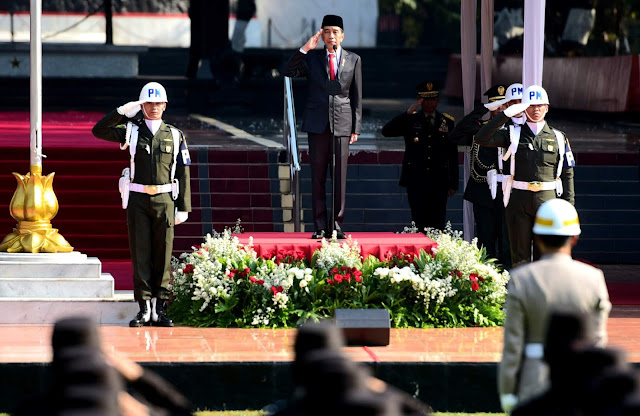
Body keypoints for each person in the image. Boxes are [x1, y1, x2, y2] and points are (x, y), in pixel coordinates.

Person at [92, 82, 192, 327]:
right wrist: (122, 112)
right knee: (141, 253)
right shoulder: (131, 130)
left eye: (158, 103)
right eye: (148, 103)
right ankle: (144, 308)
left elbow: (183, 171)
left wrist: (183, 206)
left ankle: (160, 308)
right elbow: (99, 130)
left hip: (165, 200)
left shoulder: (176, 134)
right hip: (138, 199)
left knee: (163, 254)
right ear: (142, 105)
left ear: (165, 106)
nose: (154, 107)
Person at [498, 198, 611, 414]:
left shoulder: (522, 279)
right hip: (579, 385)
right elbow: (598, 342)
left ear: (537, 236)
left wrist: (507, 393)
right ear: (575, 237)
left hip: (533, 383)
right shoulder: (593, 278)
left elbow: (513, 345)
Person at [475, 84, 575, 266]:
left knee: (545, 255)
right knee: (519, 256)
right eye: (531, 105)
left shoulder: (559, 137)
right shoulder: (512, 134)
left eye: (540, 105)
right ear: (523, 108)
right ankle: (521, 293)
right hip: (518, 200)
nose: (535, 109)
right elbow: (481, 138)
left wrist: (569, 208)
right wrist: (505, 114)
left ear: (547, 108)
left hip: (547, 200)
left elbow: (567, 174)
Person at [283, 14, 362, 239]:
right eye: (326, 31)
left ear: (342, 35)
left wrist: (356, 127)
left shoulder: (354, 59)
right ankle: (319, 226)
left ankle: (336, 225)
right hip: (318, 124)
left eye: (335, 31)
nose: (331, 36)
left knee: (339, 177)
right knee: (318, 176)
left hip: (343, 124)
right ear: (321, 34)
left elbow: (357, 95)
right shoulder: (312, 59)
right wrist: (305, 49)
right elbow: (288, 71)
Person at [449, 83, 519, 268]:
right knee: (485, 242)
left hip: (509, 194)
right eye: (497, 106)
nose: (500, 110)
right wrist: (482, 109)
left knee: (507, 243)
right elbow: (454, 136)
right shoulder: (480, 128)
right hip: (483, 193)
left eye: (505, 105)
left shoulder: (517, 130)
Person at [381, 81, 458, 231]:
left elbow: (452, 154)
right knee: (418, 220)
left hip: (439, 180)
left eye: (432, 99)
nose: (429, 103)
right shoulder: (411, 119)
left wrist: (453, 183)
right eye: (425, 99)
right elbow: (386, 131)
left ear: (438, 100)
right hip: (416, 179)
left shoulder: (447, 122)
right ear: (419, 100)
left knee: (438, 222)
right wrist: (408, 112)